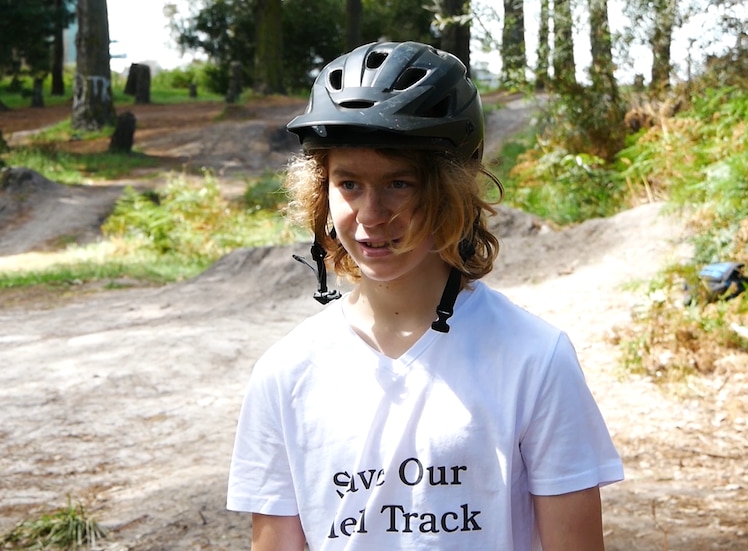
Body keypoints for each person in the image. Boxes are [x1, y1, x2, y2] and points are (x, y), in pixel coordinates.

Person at [226, 40, 624, 551]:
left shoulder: (534, 358)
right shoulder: (286, 372)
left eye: (399, 183)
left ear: (451, 190)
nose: (371, 214)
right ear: (321, 191)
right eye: (348, 184)